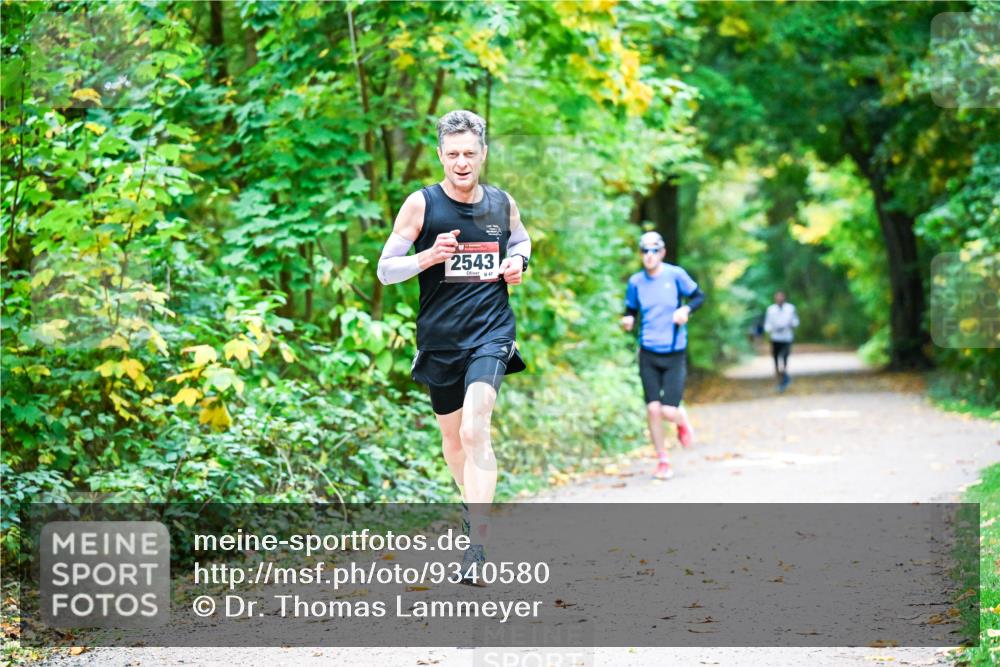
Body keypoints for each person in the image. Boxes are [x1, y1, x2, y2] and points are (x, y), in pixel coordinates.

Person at [376, 110, 530, 585]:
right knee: (451, 439)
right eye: (453, 154)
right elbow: (385, 269)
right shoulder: (421, 205)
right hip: (441, 340)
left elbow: (522, 240)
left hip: (491, 331)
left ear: (483, 154)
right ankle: (473, 508)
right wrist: (428, 256)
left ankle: (478, 545)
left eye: (470, 153)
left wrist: (517, 261)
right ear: (440, 155)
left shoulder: (502, 204)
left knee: (474, 426)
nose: (462, 163)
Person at [620, 231, 705, 480]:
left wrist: (686, 309)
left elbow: (699, 296)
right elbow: (631, 309)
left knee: (668, 410)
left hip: (674, 351)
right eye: (645, 251)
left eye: (654, 250)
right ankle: (662, 460)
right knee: (653, 409)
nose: (649, 255)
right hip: (648, 352)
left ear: (662, 252)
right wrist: (628, 320)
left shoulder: (675, 275)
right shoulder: (636, 282)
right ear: (640, 254)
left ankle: (681, 420)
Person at [764, 290, 799, 392]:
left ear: (784, 297)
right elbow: (767, 324)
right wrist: (770, 329)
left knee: (784, 357)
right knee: (775, 359)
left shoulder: (790, 308)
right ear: (775, 298)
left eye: (781, 297)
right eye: (777, 297)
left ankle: (784, 375)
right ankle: (780, 378)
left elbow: (796, 321)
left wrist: (791, 325)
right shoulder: (771, 310)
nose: (779, 299)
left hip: (787, 337)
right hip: (775, 338)